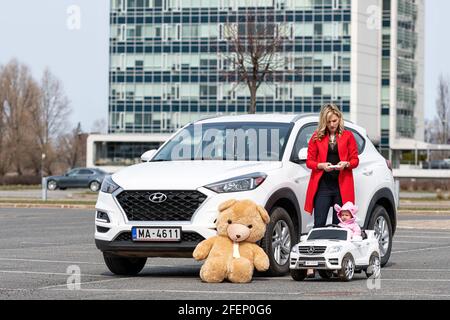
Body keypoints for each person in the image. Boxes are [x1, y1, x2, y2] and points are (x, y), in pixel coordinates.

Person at [304, 103, 360, 228]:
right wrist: (321, 165)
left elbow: (355, 160)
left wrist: (346, 164)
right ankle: (319, 246)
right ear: (324, 122)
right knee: (319, 224)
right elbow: (309, 161)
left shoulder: (348, 136)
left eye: (334, 121)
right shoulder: (316, 137)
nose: (332, 124)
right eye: (329, 122)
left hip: (342, 187)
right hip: (323, 186)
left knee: (340, 225)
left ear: (339, 118)